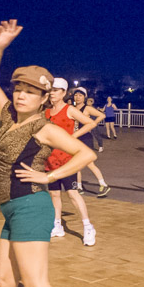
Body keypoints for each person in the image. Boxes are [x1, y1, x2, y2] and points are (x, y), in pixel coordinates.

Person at [0, 19, 105, 287]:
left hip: (31, 207)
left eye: (30, 92)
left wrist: (51, 178)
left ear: (43, 98)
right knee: (4, 281)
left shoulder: (45, 128)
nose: (21, 96)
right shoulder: (6, 116)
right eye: (18, 89)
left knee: (35, 283)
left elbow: (85, 152)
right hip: (11, 209)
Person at [45, 79, 99, 245]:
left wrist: (72, 137)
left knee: (72, 193)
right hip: (50, 159)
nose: (52, 93)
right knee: (54, 194)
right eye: (50, 90)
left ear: (63, 93)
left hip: (67, 159)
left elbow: (90, 123)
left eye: (55, 90)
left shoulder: (69, 110)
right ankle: (57, 225)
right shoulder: (46, 112)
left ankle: (88, 227)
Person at [69, 89, 111, 196]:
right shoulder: (72, 108)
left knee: (89, 163)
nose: (77, 97)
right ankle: (78, 186)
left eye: (80, 95)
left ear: (85, 97)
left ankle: (103, 184)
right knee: (76, 164)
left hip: (85, 138)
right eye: (76, 95)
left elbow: (102, 115)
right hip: (75, 138)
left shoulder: (87, 108)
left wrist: (92, 125)